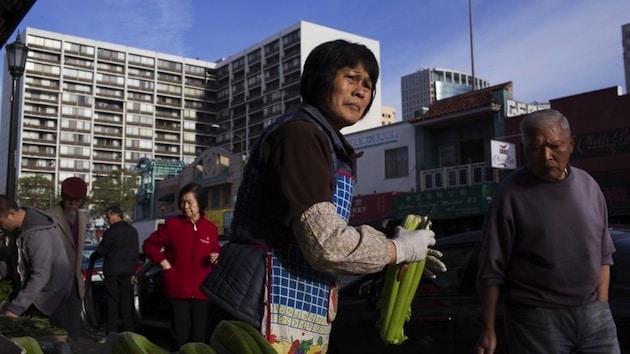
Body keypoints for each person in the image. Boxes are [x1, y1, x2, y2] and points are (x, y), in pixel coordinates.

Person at [201, 39, 447, 354]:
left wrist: (390, 256)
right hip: (258, 305)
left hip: (288, 305)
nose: (361, 91)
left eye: (368, 85)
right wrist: (395, 250)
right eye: (351, 78)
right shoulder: (301, 135)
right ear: (321, 79)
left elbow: (317, 246)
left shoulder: (325, 142)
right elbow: (325, 244)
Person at [475, 109, 620, 354]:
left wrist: (601, 303)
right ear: (524, 150)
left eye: (555, 145)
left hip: (595, 316)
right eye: (536, 148)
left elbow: (604, 254)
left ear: (571, 144)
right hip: (537, 321)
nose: (546, 156)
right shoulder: (509, 195)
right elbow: (491, 269)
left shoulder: (589, 186)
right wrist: (489, 329)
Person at [142, 182, 221, 351]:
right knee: (180, 337)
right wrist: (165, 264)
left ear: (200, 203)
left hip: (202, 291)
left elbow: (216, 251)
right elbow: (149, 245)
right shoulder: (172, 226)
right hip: (177, 289)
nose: (185, 206)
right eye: (183, 202)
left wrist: (216, 257)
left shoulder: (210, 229)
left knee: (200, 338)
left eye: (189, 202)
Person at [0, 195, 71, 322]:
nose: (1, 227)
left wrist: (15, 309)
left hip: (47, 300)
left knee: (47, 339)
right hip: (31, 297)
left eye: (0, 222)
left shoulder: (38, 234)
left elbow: (40, 274)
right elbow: (13, 260)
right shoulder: (16, 231)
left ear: (11, 213)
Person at [47, 176, 89, 344]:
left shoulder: (82, 217)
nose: (73, 203)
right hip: (55, 281)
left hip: (75, 282)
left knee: (73, 328)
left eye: (77, 200)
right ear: (62, 197)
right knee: (57, 329)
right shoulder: (50, 215)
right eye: (69, 199)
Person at [89, 204, 139, 335]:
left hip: (112, 272)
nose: (107, 220)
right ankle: (129, 330)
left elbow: (103, 249)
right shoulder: (133, 231)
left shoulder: (111, 232)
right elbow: (135, 253)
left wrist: (93, 257)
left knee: (112, 302)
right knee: (127, 302)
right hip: (128, 272)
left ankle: (112, 330)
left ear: (116, 215)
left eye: (108, 217)